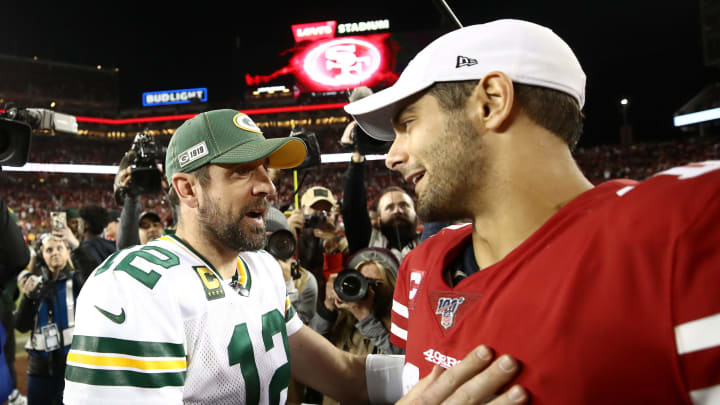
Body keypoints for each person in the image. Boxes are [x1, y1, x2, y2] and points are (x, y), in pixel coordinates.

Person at [345, 18, 720, 404]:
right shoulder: (421, 265)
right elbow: (411, 380)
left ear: (491, 102)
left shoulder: (678, 234)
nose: (393, 156)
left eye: (408, 124)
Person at [63, 109, 526, 405]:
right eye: (242, 171)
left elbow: (342, 374)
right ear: (187, 189)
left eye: (266, 169)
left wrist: (447, 374)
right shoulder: (132, 289)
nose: (268, 185)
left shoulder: (260, 266)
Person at [15, 235, 82, 405]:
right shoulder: (34, 285)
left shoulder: (77, 282)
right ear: (41, 256)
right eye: (49, 250)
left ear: (68, 253)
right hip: (38, 368)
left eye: (60, 248)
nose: (55, 253)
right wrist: (28, 298)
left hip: (71, 368)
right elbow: (21, 326)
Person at [310, 248, 403, 362]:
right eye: (362, 282)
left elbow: (402, 358)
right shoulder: (344, 312)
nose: (368, 289)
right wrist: (328, 308)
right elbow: (309, 347)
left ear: (392, 286)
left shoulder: (400, 323)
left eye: (377, 284)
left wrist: (366, 319)